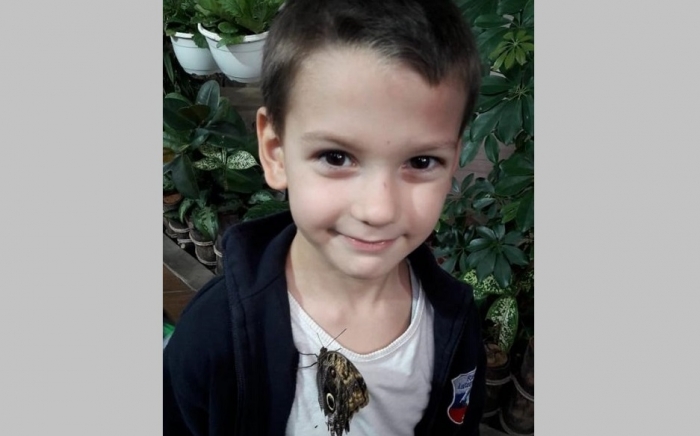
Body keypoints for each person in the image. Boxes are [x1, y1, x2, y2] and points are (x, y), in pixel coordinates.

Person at [163, 0, 486, 434]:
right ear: (276, 153)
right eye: (336, 157)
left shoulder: (454, 318)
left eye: (422, 161)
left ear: (454, 159)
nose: (378, 210)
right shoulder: (212, 338)